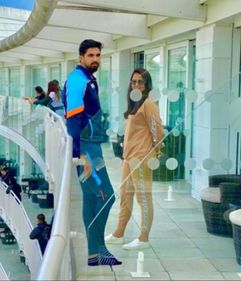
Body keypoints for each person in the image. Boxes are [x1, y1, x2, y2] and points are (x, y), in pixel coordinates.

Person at [63, 39, 121, 266]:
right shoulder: (79, 81)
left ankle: (93, 254)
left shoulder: (87, 79)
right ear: (81, 57)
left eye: (98, 55)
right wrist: (79, 155)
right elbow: (74, 119)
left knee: (90, 198)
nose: (95, 59)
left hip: (92, 146)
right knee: (106, 197)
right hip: (87, 149)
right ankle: (99, 248)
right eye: (91, 55)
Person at [105, 68, 164, 250]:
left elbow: (158, 131)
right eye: (133, 81)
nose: (136, 85)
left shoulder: (148, 103)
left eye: (140, 82)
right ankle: (119, 233)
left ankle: (143, 238)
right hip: (128, 157)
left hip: (141, 157)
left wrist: (155, 150)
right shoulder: (134, 104)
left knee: (143, 198)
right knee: (125, 196)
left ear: (146, 85)